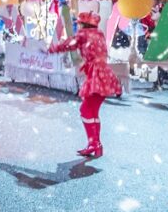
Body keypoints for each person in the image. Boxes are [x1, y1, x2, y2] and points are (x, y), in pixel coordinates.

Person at [48, 11, 122, 157]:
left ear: (83, 24)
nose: (78, 26)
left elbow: (68, 45)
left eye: (79, 23)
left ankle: (94, 144)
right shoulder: (99, 33)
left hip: (96, 74)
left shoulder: (83, 34)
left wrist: (50, 49)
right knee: (92, 111)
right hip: (105, 73)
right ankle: (96, 145)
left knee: (86, 110)